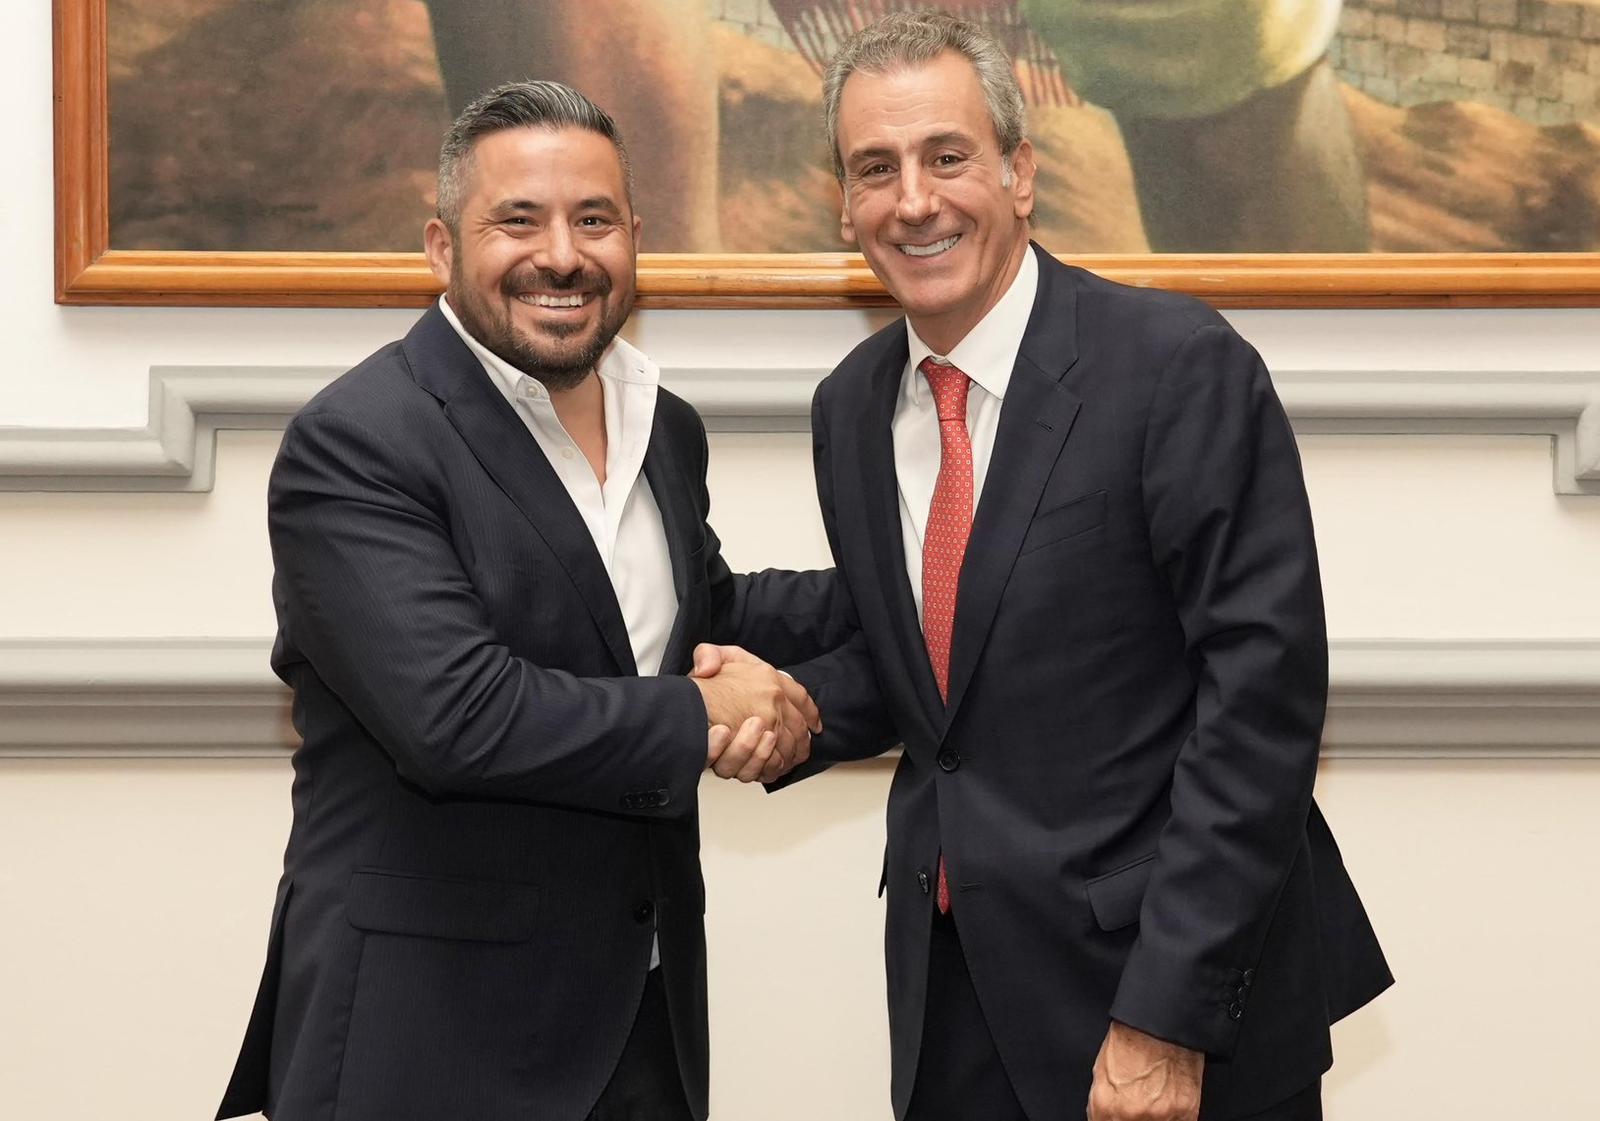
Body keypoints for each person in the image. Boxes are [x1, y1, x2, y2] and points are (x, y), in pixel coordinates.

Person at [708, 11, 1392, 1121]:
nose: (913, 200)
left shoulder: (1176, 367)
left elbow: (1259, 713)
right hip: (956, 1001)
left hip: (1164, 1005)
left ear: (1019, 172)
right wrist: (787, 714)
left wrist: (1165, 1019)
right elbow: (939, 667)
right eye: (875, 168)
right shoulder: (849, 407)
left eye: (947, 156)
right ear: (843, 202)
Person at [215, 80, 842, 1121]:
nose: (562, 254)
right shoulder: (359, 440)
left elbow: (692, 620)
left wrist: (917, 584)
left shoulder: (663, 424)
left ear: (634, 237)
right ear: (440, 246)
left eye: (594, 219)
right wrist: (705, 712)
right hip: (430, 1040)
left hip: (639, 1023)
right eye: (518, 219)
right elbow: (457, 717)